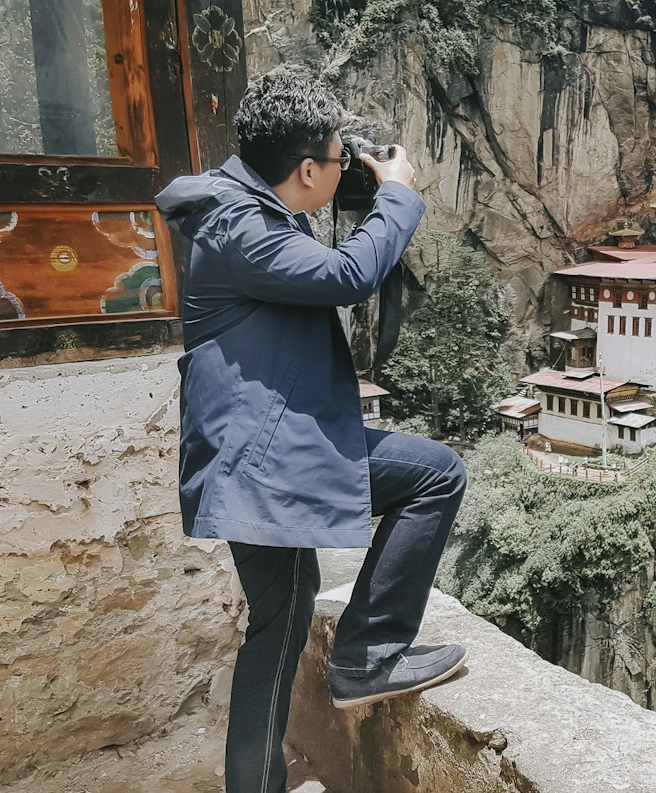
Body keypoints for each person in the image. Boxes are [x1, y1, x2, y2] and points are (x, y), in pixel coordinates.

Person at [155, 71, 468, 793]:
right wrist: (398, 195)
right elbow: (349, 274)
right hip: (263, 456)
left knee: (282, 623)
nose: (340, 169)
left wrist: (353, 186)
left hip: (259, 450)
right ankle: (366, 656)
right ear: (303, 169)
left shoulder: (245, 207)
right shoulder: (241, 226)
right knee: (436, 474)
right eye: (334, 159)